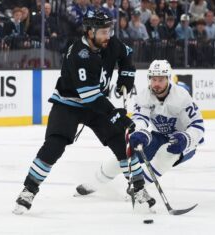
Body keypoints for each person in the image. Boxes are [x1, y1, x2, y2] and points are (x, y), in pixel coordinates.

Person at [13, 10, 155, 215]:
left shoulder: (111, 43)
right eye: (102, 32)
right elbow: (90, 97)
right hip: (69, 104)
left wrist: (126, 77)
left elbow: (127, 55)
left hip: (97, 104)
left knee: (122, 143)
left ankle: (138, 189)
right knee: (54, 145)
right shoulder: (79, 54)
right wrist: (116, 115)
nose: (107, 36)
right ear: (90, 32)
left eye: (109, 30)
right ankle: (28, 191)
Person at [76, 60, 204, 196]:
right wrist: (140, 133)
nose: (156, 84)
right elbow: (140, 119)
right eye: (154, 79)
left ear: (168, 78)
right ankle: (95, 182)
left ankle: (137, 188)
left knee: (167, 153)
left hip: (184, 141)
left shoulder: (181, 97)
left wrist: (186, 138)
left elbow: (197, 126)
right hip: (159, 135)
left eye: (161, 80)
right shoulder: (144, 96)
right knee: (128, 153)